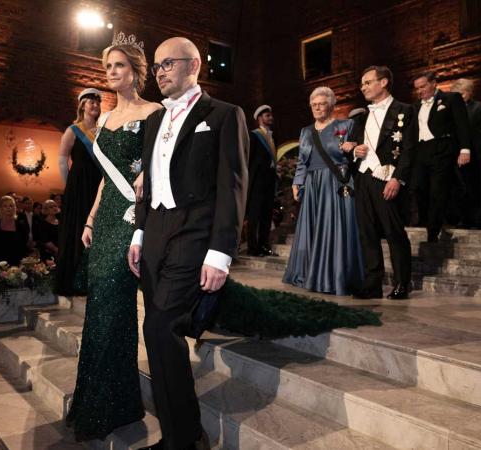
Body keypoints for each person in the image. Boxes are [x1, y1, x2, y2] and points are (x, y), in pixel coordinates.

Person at [128, 36, 249, 450]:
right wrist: (140, 233)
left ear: (193, 65)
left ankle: (185, 439)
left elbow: (232, 187)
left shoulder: (224, 115)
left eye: (168, 64)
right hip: (156, 231)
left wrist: (220, 254)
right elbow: (149, 184)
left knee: (163, 327)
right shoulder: (154, 121)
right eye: (157, 66)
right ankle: (178, 435)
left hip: (195, 233)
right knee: (155, 330)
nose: (159, 72)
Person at [65, 34, 162, 442]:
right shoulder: (102, 120)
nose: (111, 73)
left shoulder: (154, 111)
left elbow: (164, 161)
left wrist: (149, 172)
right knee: (100, 307)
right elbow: (106, 178)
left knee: (113, 301)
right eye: (107, 67)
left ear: (136, 70)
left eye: (118, 65)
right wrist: (88, 220)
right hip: (104, 217)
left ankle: (110, 403)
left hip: (131, 215)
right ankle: (107, 400)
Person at [283, 86, 364, 295]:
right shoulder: (306, 131)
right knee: (312, 229)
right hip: (312, 184)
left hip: (336, 183)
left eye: (322, 104)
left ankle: (334, 277)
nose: (318, 108)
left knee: (335, 229)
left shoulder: (347, 125)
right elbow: (302, 161)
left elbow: (358, 152)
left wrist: (353, 149)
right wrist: (297, 182)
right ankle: (310, 274)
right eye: (314, 105)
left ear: (332, 105)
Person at [351, 65, 416, 300]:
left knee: (393, 232)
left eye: (367, 82)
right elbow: (353, 144)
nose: (363, 87)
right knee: (367, 232)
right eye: (362, 83)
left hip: (387, 177)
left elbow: (409, 150)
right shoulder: (362, 115)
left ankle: (401, 283)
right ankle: (373, 284)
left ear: (384, 82)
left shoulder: (405, 110)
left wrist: (398, 178)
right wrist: (353, 150)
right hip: (364, 177)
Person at [55, 88, 105, 295]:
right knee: (77, 229)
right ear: (82, 105)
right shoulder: (73, 130)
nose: (94, 105)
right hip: (79, 184)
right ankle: (74, 280)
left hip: (98, 182)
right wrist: (69, 186)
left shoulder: (104, 130)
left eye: (97, 102)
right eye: (90, 101)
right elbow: (62, 158)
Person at [411, 71, 471, 242]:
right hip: (421, 151)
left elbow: (462, 125)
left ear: (433, 83)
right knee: (418, 188)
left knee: (438, 190)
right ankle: (429, 221)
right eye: (417, 88)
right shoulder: (415, 106)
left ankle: (433, 230)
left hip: (442, 149)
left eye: (423, 86)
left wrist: (465, 149)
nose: (420, 91)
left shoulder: (451, 99)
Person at [449, 78, 481, 228]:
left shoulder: (480, 107)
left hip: (477, 154)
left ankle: (479, 219)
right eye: (456, 94)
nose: (459, 96)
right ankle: (463, 218)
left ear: (469, 92)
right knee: (460, 187)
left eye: (462, 93)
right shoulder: (450, 109)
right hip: (456, 153)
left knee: (477, 186)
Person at [246, 105, 278, 256]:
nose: (270, 118)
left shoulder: (272, 135)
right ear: (260, 118)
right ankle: (253, 248)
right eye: (267, 115)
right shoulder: (254, 135)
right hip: (257, 181)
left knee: (266, 214)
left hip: (270, 180)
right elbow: (249, 159)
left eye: (270, 115)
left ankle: (264, 245)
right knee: (255, 215)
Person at [0, 195, 28, 265]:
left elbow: (23, 246)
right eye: (5, 206)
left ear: (14, 208)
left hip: (16, 262)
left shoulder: (20, 226)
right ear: (1, 208)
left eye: (11, 206)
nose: (8, 208)